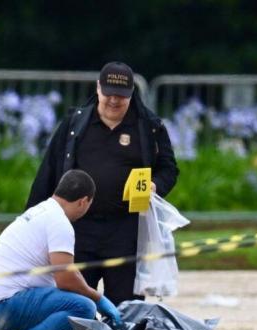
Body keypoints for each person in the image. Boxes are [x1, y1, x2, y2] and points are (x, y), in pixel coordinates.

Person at [26, 61, 179, 304]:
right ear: (98, 88)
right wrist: (31, 220)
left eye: (121, 95)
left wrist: (155, 185)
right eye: (108, 93)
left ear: (131, 95)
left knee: (127, 303)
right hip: (78, 227)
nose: (114, 101)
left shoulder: (149, 126)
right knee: (77, 299)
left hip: (127, 229)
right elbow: (49, 171)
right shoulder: (74, 124)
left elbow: (169, 168)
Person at [0, 170, 123, 330]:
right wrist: (97, 298)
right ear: (83, 201)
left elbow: (67, 269)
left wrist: (91, 294)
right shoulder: (59, 223)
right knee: (83, 307)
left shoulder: (43, 211)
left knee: (78, 301)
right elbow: (65, 279)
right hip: (2, 307)